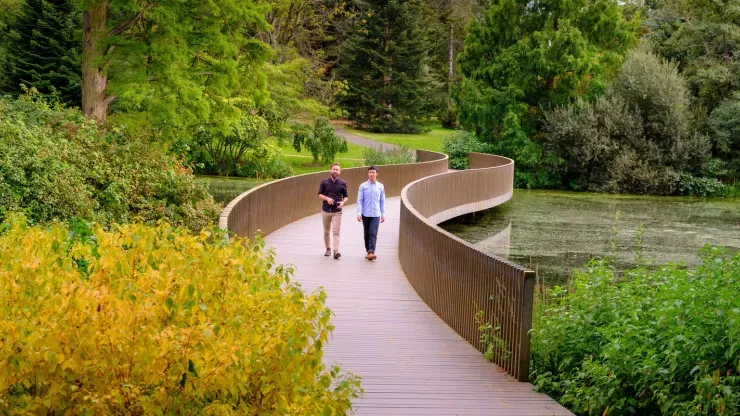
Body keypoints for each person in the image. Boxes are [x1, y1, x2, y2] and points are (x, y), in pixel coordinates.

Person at [318, 162, 348, 259]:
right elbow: (319, 194)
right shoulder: (324, 182)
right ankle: (328, 249)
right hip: (326, 210)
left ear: (340, 172)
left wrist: (343, 202)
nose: (335, 171)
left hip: (337, 211)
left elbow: (346, 196)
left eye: (337, 170)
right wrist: (327, 199)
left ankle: (336, 251)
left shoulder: (343, 183)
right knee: (326, 231)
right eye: (334, 169)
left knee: (336, 232)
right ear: (330, 170)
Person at [356, 165, 385, 261]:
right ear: (368, 174)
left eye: (373, 172)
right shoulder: (363, 186)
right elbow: (359, 200)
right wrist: (359, 213)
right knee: (367, 233)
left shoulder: (381, 186)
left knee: (373, 233)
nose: (371, 174)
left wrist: (383, 214)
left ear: (377, 173)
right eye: (370, 172)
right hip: (365, 213)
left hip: (376, 214)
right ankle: (368, 251)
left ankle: (371, 252)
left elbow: (382, 201)